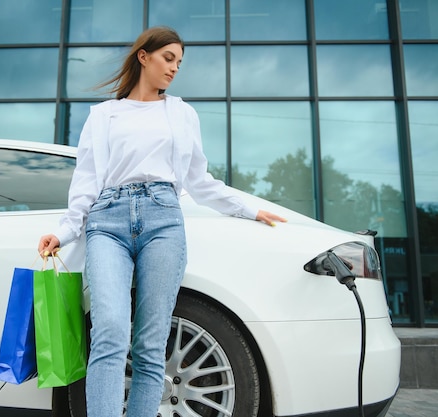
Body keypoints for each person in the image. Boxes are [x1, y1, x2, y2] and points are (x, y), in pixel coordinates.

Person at [38, 26, 287, 417]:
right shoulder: (103, 115)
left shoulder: (181, 113)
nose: (174, 69)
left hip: (163, 221)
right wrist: (65, 231)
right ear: (144, 56)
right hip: (107, 222)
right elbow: (85, 182)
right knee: (110, 333)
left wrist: (249, 208)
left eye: (179, 63)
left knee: (152, 344)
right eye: (168, 58)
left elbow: (199, 181)